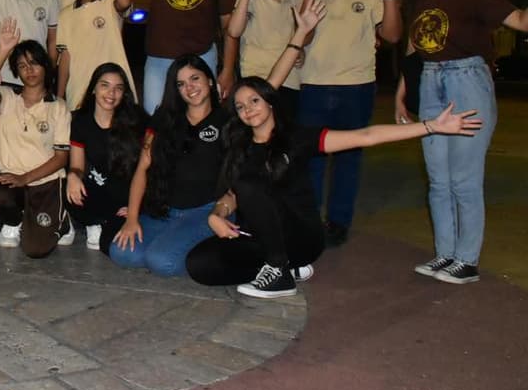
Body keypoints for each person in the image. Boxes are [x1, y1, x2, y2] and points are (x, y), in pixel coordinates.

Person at [187, 78, 481, 299]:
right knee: (200, 265)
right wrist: (218, 213)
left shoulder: (297, 138)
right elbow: (233, 194)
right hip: (261, 237)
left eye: (254, 101)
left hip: (301, 235)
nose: (248, 110)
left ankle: (279, 272)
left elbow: (366, 135)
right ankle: (288, 267)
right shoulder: (240, 147)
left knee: (253, 186)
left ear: (270, 101)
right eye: (240, 106)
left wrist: (431, 126)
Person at [112, 1, 325, 276]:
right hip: (166, 210)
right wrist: (132, 218)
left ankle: (266, 261)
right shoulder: (164, 120)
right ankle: (172, 238)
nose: (189, 88)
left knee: (162, 262)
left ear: (210, 81)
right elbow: (143, 168)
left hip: (207, 210)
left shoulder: (229, 118)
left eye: (195, 79)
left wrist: (300, 34)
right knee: (122, 253)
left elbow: (269, 85)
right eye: (181, 83)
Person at [395, 0, 528, 284]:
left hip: (466, 81)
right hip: (430, 81)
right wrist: (402, 92)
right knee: (438, 179)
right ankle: (445, 254)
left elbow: (520, 21)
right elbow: (414, 47)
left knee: (464, 179)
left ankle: (467, 261)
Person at [298, 0, 401, 247]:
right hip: (314, 85)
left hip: (356, 87)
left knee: (349, 159)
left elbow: (392, 35)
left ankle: (338, 222)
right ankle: (309, 221)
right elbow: (303, 37)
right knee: (311, 158)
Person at [0, 18, 72, 258]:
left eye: (34, 63)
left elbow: (61, 158)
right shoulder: (8, 97)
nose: (29, 70)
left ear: (45, 66)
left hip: (46, 183)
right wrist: (3, 50)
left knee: (36, 250)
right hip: (13, 180)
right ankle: (14, 220)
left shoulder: (58, 107)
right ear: (16, 71)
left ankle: (62, 221)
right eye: (22, 66)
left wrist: (25, 178)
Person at [55, 0, 143, 110]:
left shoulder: (109, 1)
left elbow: (125, 2)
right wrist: (59, 97)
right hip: (78, 94)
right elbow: (65, 58)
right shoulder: (65, 15)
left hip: (113, 91)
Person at [66, 64, 148, 251]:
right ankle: (94, 222)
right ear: (94, 88)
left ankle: (113, 221)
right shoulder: (81, 121)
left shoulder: (137, 120)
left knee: (112, 246)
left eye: (118, 88)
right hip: (100, 191)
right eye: (105, 85)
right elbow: (77, 166)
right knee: (67, 188)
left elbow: (151, 169)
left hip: (130, 197)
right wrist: (73, 175)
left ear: (124, 93)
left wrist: (137, 207)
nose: (111, 93)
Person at [226, 0, 309, 121]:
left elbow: (300, 34)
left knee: (285, 132)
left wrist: (300, 52)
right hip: (258, 78)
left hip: (289, 79)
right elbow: (234, 30)